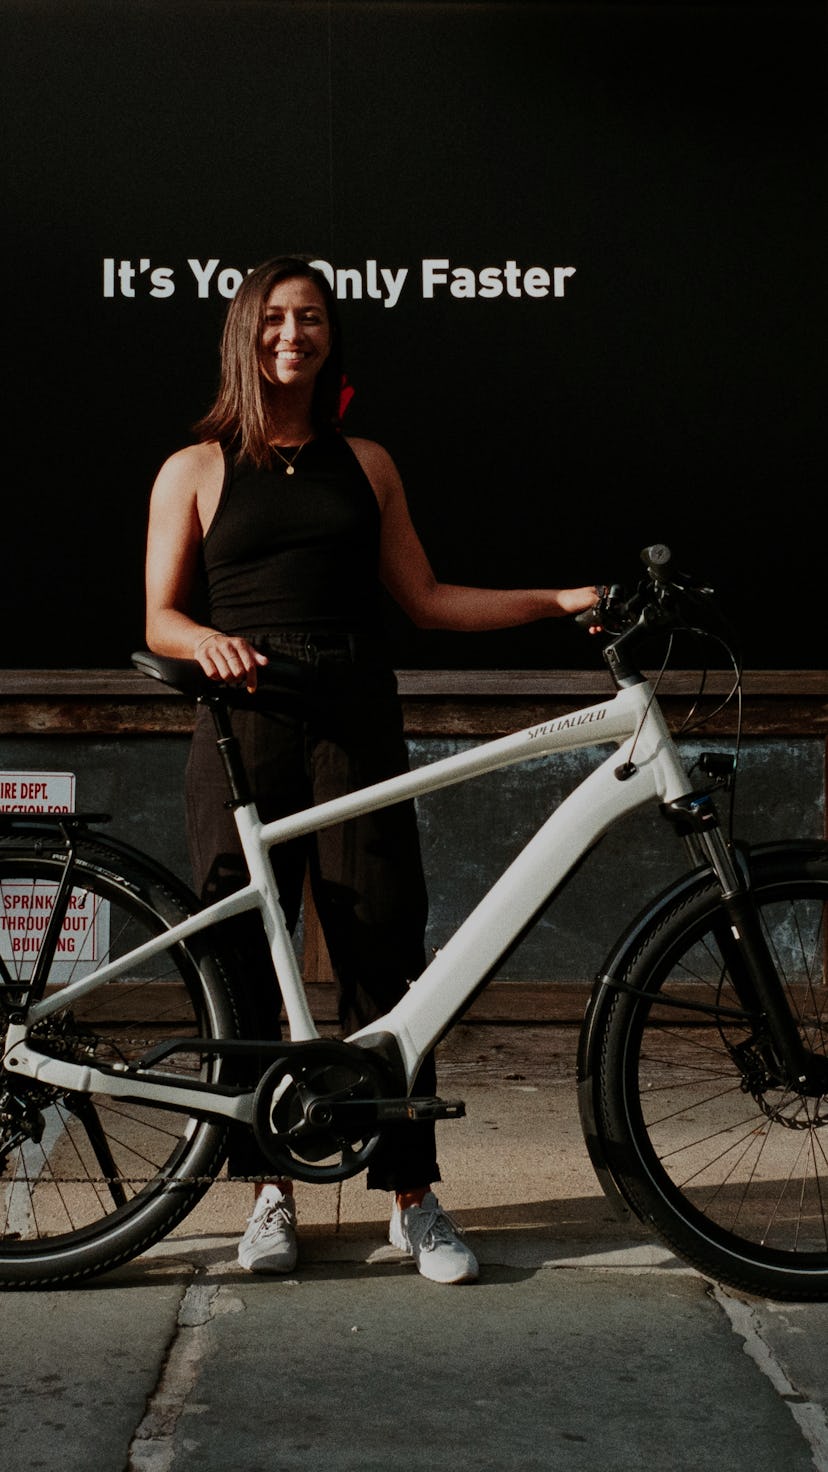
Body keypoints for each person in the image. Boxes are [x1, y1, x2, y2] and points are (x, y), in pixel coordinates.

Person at [144, 253, 598, 1286]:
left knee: (384, 953)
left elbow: (429, 600)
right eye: (272, 320)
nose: (291, 336)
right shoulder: (197, 466)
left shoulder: (370, 463)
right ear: (244, 336)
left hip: (354, 715)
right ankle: (270, 1193)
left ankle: (410, 1195)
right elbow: (157, 615)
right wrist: (199, 640)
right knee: (245, 965)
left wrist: (556, 596)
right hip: (243, 723)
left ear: (330, 337)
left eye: (309, 319)